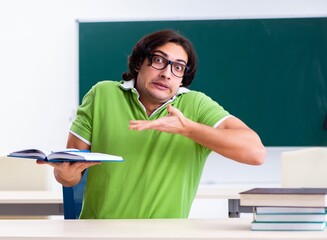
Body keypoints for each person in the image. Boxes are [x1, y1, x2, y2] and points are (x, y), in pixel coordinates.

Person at [41, 29, 266, 219]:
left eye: (178, 67)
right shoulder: (103, 94)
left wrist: (187, 129)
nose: (167, 73)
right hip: (99, 232)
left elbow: (255, 153)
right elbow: (69, 174)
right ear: (140, 62)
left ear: (182, 77)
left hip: (164, 234)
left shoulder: (195, 105)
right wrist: (65, 175)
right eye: (159, 60)